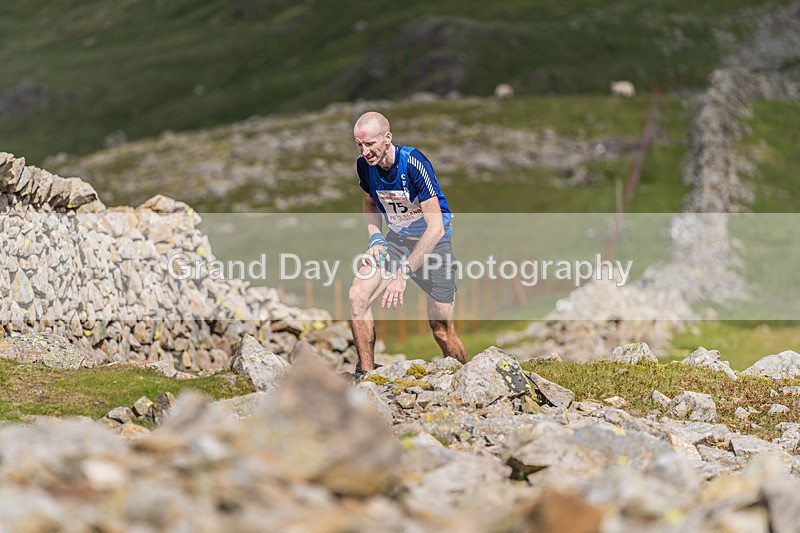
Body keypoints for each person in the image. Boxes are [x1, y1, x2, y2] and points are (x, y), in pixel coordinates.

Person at [349, 111, 467, 375]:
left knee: (442, 331)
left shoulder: (414, 163)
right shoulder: (364, 166)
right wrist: (375, 238)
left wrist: (403, 273)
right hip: (396, 243)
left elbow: (435, 228)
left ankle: (466, 376)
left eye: (370, 144)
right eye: (359, 144)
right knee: (358, 296)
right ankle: (367, 377)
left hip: (434, 245)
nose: (365, 151)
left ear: (387, 138)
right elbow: (369, 203)